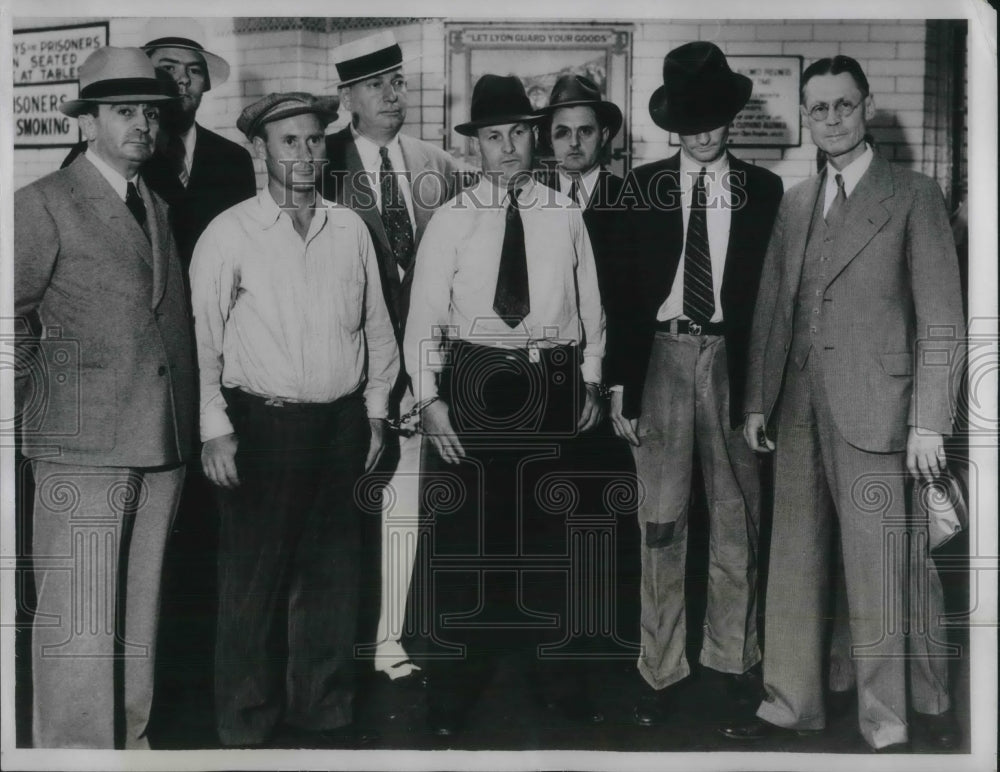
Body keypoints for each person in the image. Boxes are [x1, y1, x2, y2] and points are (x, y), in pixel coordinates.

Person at [719, 55, 965, 752]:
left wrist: (929, 420)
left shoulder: (913, 195)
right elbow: (773, 308)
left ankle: (885, 722)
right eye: (818, 109)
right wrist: (759, 402)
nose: (830, 119)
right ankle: (787, 704)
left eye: (843, 106)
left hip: (880, 413)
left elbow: (941, 319)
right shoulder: (796, 202)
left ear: (867, 108)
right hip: (797, 412)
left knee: (880, 570)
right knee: (793, 566)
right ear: (806, 116)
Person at [189, 92, 399, 747]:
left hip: (340, 426)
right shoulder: (230, 233)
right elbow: (201, 340)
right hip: (262, 428)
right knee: (254, 582)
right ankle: (246, 723)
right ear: (259, 150)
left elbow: (377, 328)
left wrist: (374, 413)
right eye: (289, 143)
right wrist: (214, 427)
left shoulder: (351, 228)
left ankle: (323, 711)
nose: (304, 154)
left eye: (314, 141)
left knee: (332, 577)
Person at [403, 74, 606, 736]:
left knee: (552, 538)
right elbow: (425, 316)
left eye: (520, 131)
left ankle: (560, 681)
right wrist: (430, 398)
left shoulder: (563, 213)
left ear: (534, 137)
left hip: (548, 382)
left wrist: (592, 380)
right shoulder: (453, 220)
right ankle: (450, 690)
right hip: (473, 382)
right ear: (477, 146)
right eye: (495, 135)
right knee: (463, 542)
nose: (509, 145)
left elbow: (590, 308)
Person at [14, 47, 195, 748]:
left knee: (136, 619)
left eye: (150, 114)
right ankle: (75, 756)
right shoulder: (42, 204)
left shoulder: (155, 202)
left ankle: (130, 747)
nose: (142, 127)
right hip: (81, 449)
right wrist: (42, 410)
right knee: (81, 623)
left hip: (159, 443)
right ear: (89, 120)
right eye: (125, 113)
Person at [610, 42, 783, 726]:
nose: (703, 134)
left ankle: (733, 663)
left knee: (737, 516)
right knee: (661, 519)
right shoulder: (640, 187)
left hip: (733, 363)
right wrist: (619, 386)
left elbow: (769, 301)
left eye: (714, 119)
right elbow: (622, 295)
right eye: (690, 121)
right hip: (659, 357)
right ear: (671, 124)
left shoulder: (763, 189)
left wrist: (759, 391)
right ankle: (659, 667)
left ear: (732, 117)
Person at [322, 31, 469, 681]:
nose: (391, 94)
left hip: (423, 371)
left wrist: (426, 377)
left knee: (405, 509)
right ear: (347, 96)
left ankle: (390, 639)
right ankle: (336, 644)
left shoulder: (437, 163)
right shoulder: (317, 161)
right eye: (376, 85)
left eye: (398, 82)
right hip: (344, 373)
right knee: (341, 513)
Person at [538, 74, 641, 658]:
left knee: (606, 514)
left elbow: (639, 302)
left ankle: (608, 643)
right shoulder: (529, 202)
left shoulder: (635, 200)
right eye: (561, 133)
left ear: (605, 135)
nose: (574, 143)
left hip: (611, 388)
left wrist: (619, 385)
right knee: (548, 513)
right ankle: (553, 646)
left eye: (585, 131)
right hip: (546, 386)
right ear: (548, 140)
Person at [62, 18, 257, 269]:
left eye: (194, 70)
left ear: (205, 83)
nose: (183, 79)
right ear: (146, 77)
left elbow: (244, 250)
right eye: (169, 68)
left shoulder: (234, 158)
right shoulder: (96, 154)